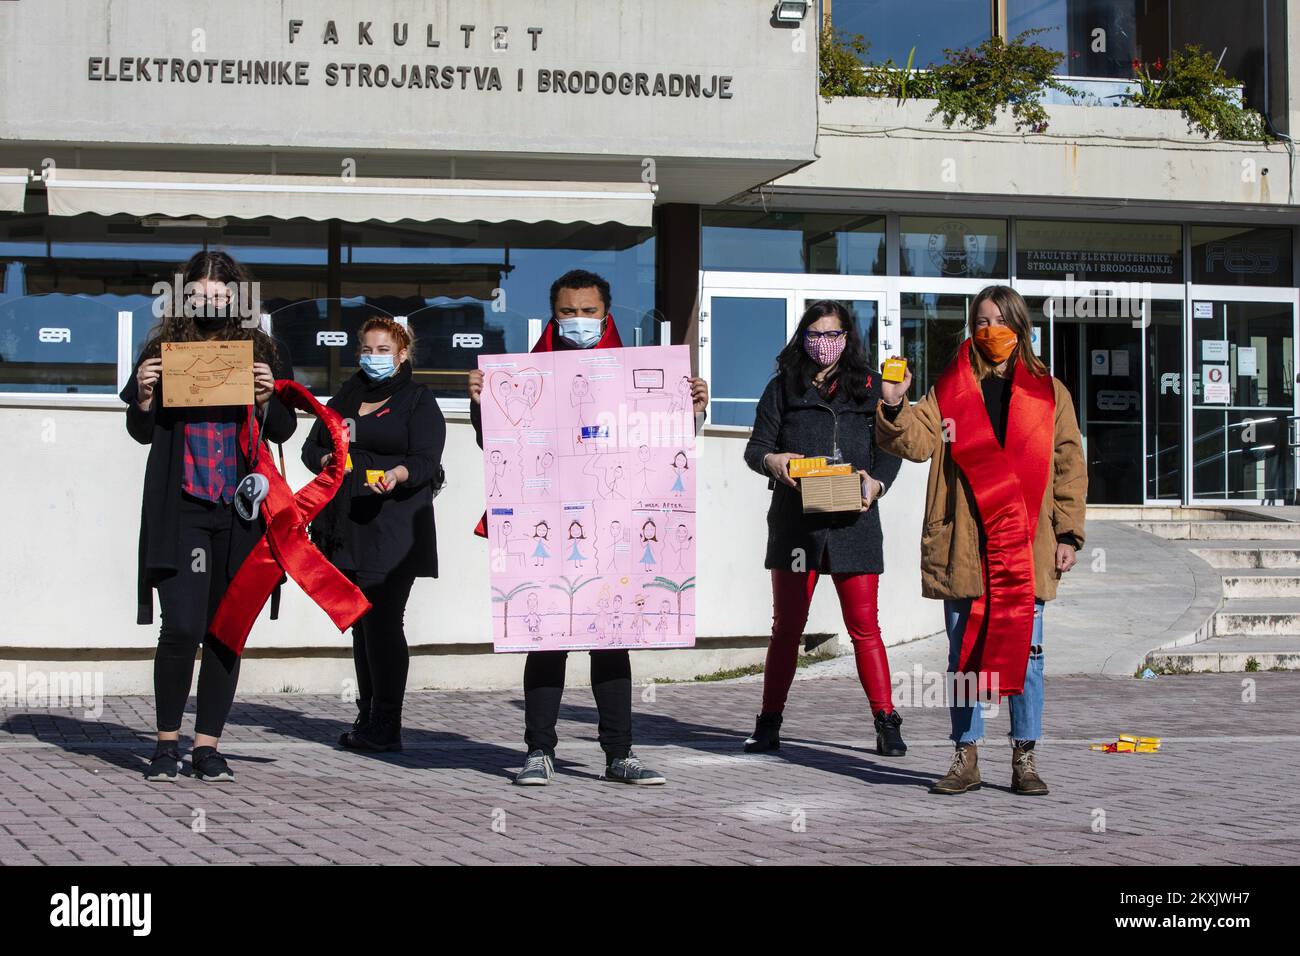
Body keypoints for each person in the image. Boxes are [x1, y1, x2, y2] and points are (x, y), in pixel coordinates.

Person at [468, 269, 709, 786]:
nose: (578, 322)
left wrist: (691, 408)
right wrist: (479, 403)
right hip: (546, 529)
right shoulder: (525, 373)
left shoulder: (641, 371)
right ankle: (538, 752)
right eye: (568, 313)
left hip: (616, 530)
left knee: (611, 640)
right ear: (553, 316)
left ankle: (619, 754)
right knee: (546, 638)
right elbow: (499, 448)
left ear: (608, 314)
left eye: (589, 312)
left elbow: (665, 447)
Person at [875, 285, 1087, 796]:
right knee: (962, 655)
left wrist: (1069, 534)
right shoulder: (950, 389)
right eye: (981, 320)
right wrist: (893, 403)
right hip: (963, 541)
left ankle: (1025, 757)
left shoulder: (1050, 392)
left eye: (1000, 320)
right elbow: (918, 442)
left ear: (1021, 328)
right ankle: (965, 756)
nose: (990, 329)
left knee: (1028, 653)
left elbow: (1068, 465)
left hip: (1024, 541)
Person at [121, 250, 296, 783]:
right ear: (185, 296)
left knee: (225, 629)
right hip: (183, 510)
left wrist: (268, 399)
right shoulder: (163, 348)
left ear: (239, 298)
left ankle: (208, 746)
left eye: (222, 294)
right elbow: (140, 431)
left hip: (239, 512)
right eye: (200, 293)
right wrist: (146, 397)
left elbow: (285, 430)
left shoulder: (262, 349)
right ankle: (165, 744)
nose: (211, 302)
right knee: (182, 627)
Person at [741, 300, 906, 757]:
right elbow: (756, 449)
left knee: (865, 628)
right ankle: (769, 720)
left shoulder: (873, 387)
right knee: (787, 629)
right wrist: (774, 461)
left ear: (848, 338)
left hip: (855, 523)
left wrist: (877, 483)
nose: (824, 342)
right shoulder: (782, 388)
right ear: (803, 337)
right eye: (815, 333)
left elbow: (891, 445)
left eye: (833, 334)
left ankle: (886, 720)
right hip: (797, 526)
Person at [302, 317, 445, 753]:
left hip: (395, 527)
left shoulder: (418, 399)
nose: (374, 358)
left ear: (403, 355)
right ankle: (367, 717)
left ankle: (387, 721)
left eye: (384, 350)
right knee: (361, 624)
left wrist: (399, 474)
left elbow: (426, 460)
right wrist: (327, 456)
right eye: (367, 349)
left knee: (383, 622)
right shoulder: (347, 395)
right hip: (347, 527)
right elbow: (311, 448)